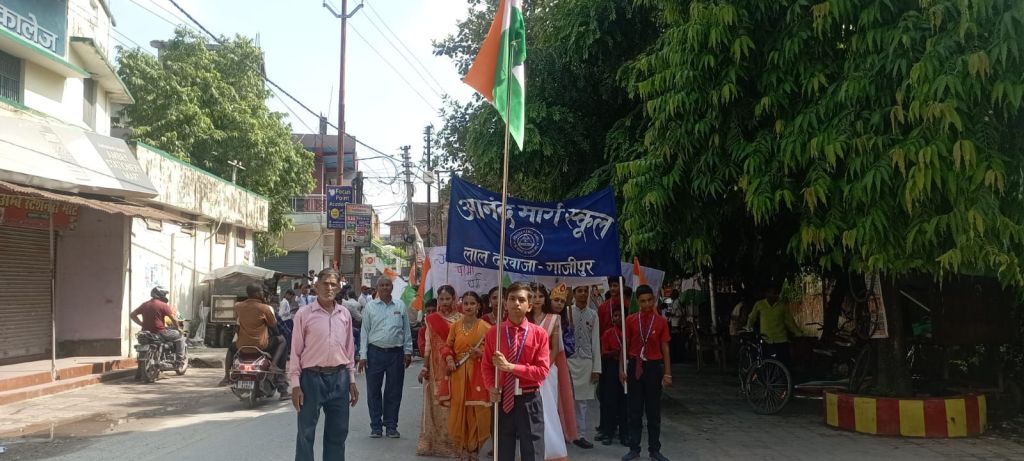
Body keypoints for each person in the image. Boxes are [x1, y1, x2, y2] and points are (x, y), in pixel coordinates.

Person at [289, 269, 360, 461]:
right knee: (306, 432)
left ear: (338, 288)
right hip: (311, 379)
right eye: (325, 283)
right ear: (317, 286)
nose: (329, 288)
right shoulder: (304, 314)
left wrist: (351, 380)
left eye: (333, 284)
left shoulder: (344, 314)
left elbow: (349, 350)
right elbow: (295, 351)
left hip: (340, 378)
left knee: (338, 432)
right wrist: (295, 385)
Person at [482, 282, 550, 461]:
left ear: (529, 306)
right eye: (512, 299)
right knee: (503, 449)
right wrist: (491, 386)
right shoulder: (494, 333)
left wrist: (511, 367)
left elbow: (542, 371)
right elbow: (487, 366)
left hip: (529, 398)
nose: (516, 303)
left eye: (521, 300)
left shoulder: (539, 334)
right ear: (505, 303)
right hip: (502, 397)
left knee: (533, 450)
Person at [621, 285, 672, 461]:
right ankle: (634, 448)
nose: (647, 304)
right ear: (638, 302)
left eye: (650, 300)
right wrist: (621, 368)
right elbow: (625, 346)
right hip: (635, 366)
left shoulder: (661, 322)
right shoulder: (630, 320)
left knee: (653, 411)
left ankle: (654, 449)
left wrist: (668, 373)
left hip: (653, 368)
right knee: (634, 410)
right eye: (643, 301)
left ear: (654, 300)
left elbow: (665, 347)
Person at [359, 276, 413, 439]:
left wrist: (408, 351)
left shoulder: (400, 305)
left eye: (387, 285)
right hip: (374, 353)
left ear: (391, 287)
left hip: (396, 354)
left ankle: (391, 426)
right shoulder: (370, 307)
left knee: (394, 391)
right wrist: (363, 355)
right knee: (373, 391)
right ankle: (376, 426)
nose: (384, 288)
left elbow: (406, 330)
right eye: (381, 285)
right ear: (377, 288)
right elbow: (364, 332)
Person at [530, 283, 578, 460]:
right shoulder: (523, 319)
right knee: (530, 411)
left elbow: (555, 348)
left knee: (548, 409)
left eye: (540, 296)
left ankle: (553, 450)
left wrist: (542, 369)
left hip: (547, 371)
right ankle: (533, 451)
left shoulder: (553, 319)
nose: (537, 299)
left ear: (545, 299)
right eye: (533, 296)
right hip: (526, 371)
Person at [444, 291, 492, 461]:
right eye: (466, 303)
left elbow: (492, 353)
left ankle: (474, 449)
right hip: (459, 374)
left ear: (478, 306)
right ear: (461, 305)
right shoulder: (455, 326)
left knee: (477, 410)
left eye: (472, 303)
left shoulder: (486, 328)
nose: (469, 307)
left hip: (478, 374)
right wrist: (449, 359)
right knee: (460, 409)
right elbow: (447, 347)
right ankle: (463, 448)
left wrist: (480, 353)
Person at [219, 284, 289, 398]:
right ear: (257, 294)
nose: (263, 294)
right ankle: (274, 367)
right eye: (261, 292)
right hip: (261, 345)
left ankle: (227, 376)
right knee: (282, 341)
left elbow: (237, 328)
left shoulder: (238, 306)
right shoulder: (266, 308)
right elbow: (275, 327)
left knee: (231, 348)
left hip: (242, 345)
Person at [416, 285, 461, 456]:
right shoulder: (431, 319)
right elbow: (428, 345)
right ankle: (435, 442)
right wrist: (425, 367)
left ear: (454, 299)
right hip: (435, 368)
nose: (444, 302)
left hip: (455, 367)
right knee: (435, 404)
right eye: (441, 299)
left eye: (448, 298)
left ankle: (453, 442)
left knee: (453, 403)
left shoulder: (461, 319)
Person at [567, 284, 601, 449]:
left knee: (582, 403)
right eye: (579, 291)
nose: (583, 294)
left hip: (586, 362)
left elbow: (596, 342)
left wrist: (596, 369)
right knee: (566, 400)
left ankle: (580, 435)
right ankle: (566, 434)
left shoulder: (593, 315)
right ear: (574, 294)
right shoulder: (567, 312)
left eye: (585, 291)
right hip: (568, 362)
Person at [130, 286, 186, 370]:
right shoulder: (163, 305)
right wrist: (178, 329)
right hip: (159, 331)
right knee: (180, 337)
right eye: (164, 294)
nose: (165, 296)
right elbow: (174, 319)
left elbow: (132, 315)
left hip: (146, 332)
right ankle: (179, 361)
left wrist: (142, 324)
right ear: (161, 294)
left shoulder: (145, 304)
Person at [745, 285, 802, 365]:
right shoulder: (759, 304)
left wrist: (798, 333)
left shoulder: (782, 305)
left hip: (781, 339)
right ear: (767, 294)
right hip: (766, 339)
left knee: (784, 364)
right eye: (772, 293)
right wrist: (748, 327)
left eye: (776, 294)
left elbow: (789, 322)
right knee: (767, 363)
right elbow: (752, 317)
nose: (775, 296)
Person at [598, 307, 627, 446]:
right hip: (611, 368)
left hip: (626, 367)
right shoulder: (608, 333)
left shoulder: (628, 332)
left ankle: (624, 434)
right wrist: (615, 352)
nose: (617, 318)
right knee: (610, 401)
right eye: (615, 316)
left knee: (625, 401)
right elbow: (603, 352)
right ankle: (608, 432)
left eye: (620, 315)